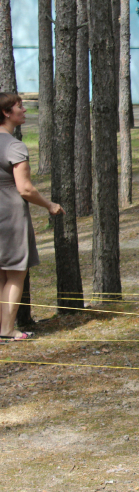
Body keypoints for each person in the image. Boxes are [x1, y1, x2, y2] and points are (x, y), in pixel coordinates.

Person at [0, 93, 64, 341]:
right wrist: (50, 205)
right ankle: (7, 330)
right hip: (9, 216)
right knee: (16, 272)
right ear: (6, 113)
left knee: (2, 273)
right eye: (19, 107)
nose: (24, 110)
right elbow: (25, 189)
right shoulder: (14, 145)